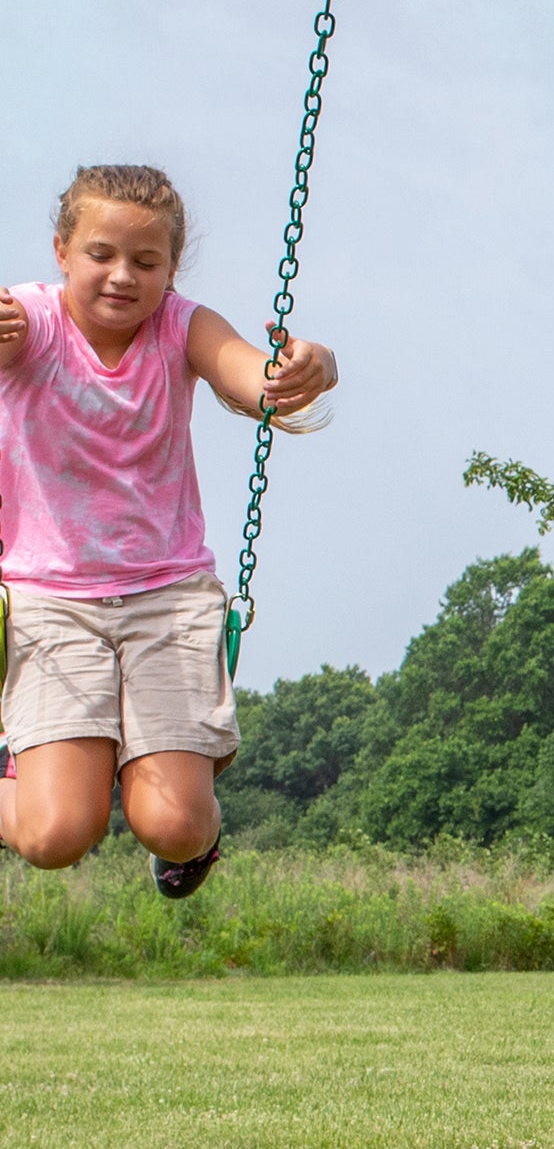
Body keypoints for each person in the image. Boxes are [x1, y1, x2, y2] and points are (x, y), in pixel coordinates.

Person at [0, 164, 338, 894]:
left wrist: (308, 367)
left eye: (146, 262)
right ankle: (20, 772)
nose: (123, 276)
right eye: (101, 254)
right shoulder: (29, 322)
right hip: (50, 599)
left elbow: (254, 377)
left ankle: (189, 838)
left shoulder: (181, 325)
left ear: (171, 269)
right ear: (61, 251)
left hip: (167, 594)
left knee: (176, 824)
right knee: (57, 835)